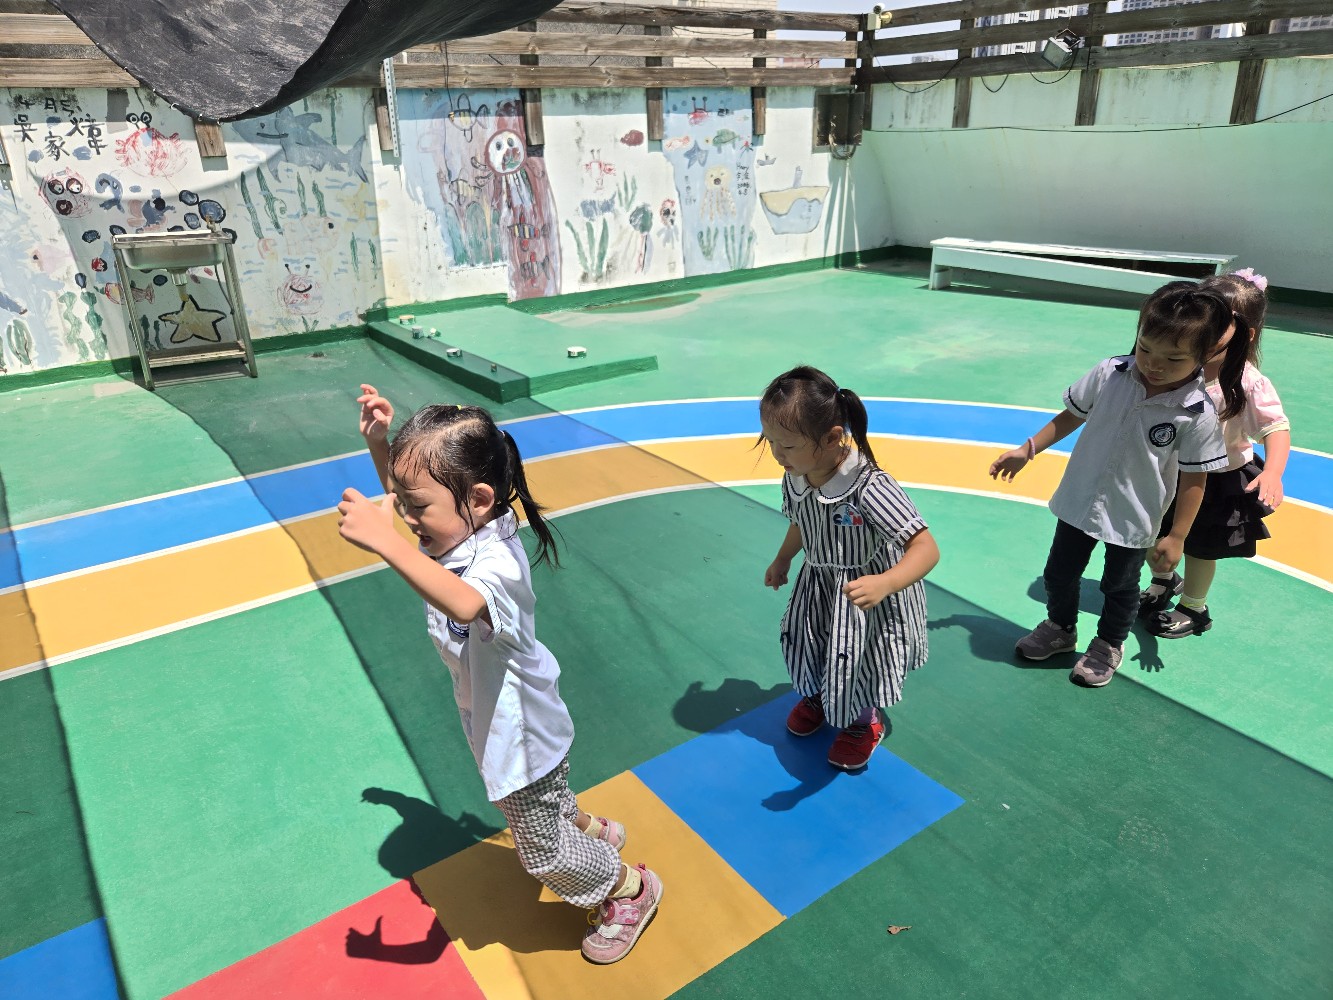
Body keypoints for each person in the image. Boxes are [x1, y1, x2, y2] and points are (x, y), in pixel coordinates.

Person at [337, 384, 661, 965]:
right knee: (540, 798)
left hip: (521, 727)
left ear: (479, 499)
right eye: (402, 504)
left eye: (415, 507)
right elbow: (421, 500)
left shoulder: (497, 561)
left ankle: (627, 888)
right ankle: (589, 828)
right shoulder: (460, 525)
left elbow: (464, 604)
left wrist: (387, 541)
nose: (405, 516)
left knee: (541, 852)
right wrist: (380, 445)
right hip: (500, 713)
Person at [989, 282, 1245, 687]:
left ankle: (1108, 643)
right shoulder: (1110, 373)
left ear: (1204, 354)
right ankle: (1059, 628)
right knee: (1058, 574)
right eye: (1145, 348)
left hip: (1134, 513)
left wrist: (1177, 536)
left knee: (1119, 585)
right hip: (1079, 499)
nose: (1154, 364)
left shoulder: (1197, 412)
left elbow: (1195, 478)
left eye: (1173, 358)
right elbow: (1072, 415)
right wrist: (1028, 449)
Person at [761, 366, 940, 771]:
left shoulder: (869, 486)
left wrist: (886, 582)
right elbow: (802, 521)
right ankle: (819, 697)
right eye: (770, 441)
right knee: (811, 640)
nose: (777, 454)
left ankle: (863, 722)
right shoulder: (796, 476)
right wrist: (784, 557)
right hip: (818, 583)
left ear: (832, 438)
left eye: (787, 445)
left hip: (865, 593)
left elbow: (925, 548)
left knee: (857, 655)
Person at [1139, 269, 1290, 637]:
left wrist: (1272, 472)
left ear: (1244, 334)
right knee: (1152, 533)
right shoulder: (1178, 363)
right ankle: (1163, 581)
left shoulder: (1247, 381)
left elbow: (1276, 426)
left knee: (1200, 548)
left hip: (1216, 481)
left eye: (1216, 325)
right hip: (1168, 471)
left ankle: (1194, 607)